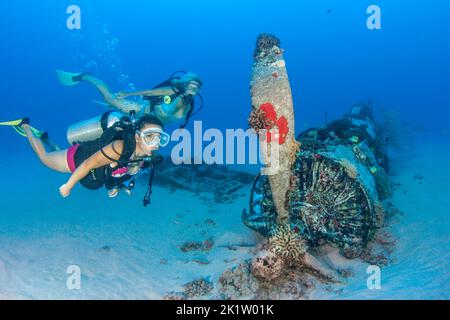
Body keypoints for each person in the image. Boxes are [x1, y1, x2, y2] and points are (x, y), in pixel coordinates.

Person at [6, 114, 169, 201]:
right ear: (137, 136)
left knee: (56, 151)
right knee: (44, 158)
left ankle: (45, 137)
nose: (156, 143)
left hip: (87, 163)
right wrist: (69, 185)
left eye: (160, 138)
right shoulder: (119, 148)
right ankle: (24, 125)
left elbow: (122, 171)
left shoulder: (145, 157)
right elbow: (88, 164)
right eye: (150, 136)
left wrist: (117, 186)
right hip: (75, 159)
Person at [56, 70, 203, 127]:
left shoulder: (190, 104)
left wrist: (182, 127)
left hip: (151, 121)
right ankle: (85, 76)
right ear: (185, 84)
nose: (194, 89)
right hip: (140, 109)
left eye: (197, 87)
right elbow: (150, 92)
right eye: (192, 85)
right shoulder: (172, 90)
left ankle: (115, 109)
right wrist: (127, 94)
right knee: (109, 98)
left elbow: (181, 118)